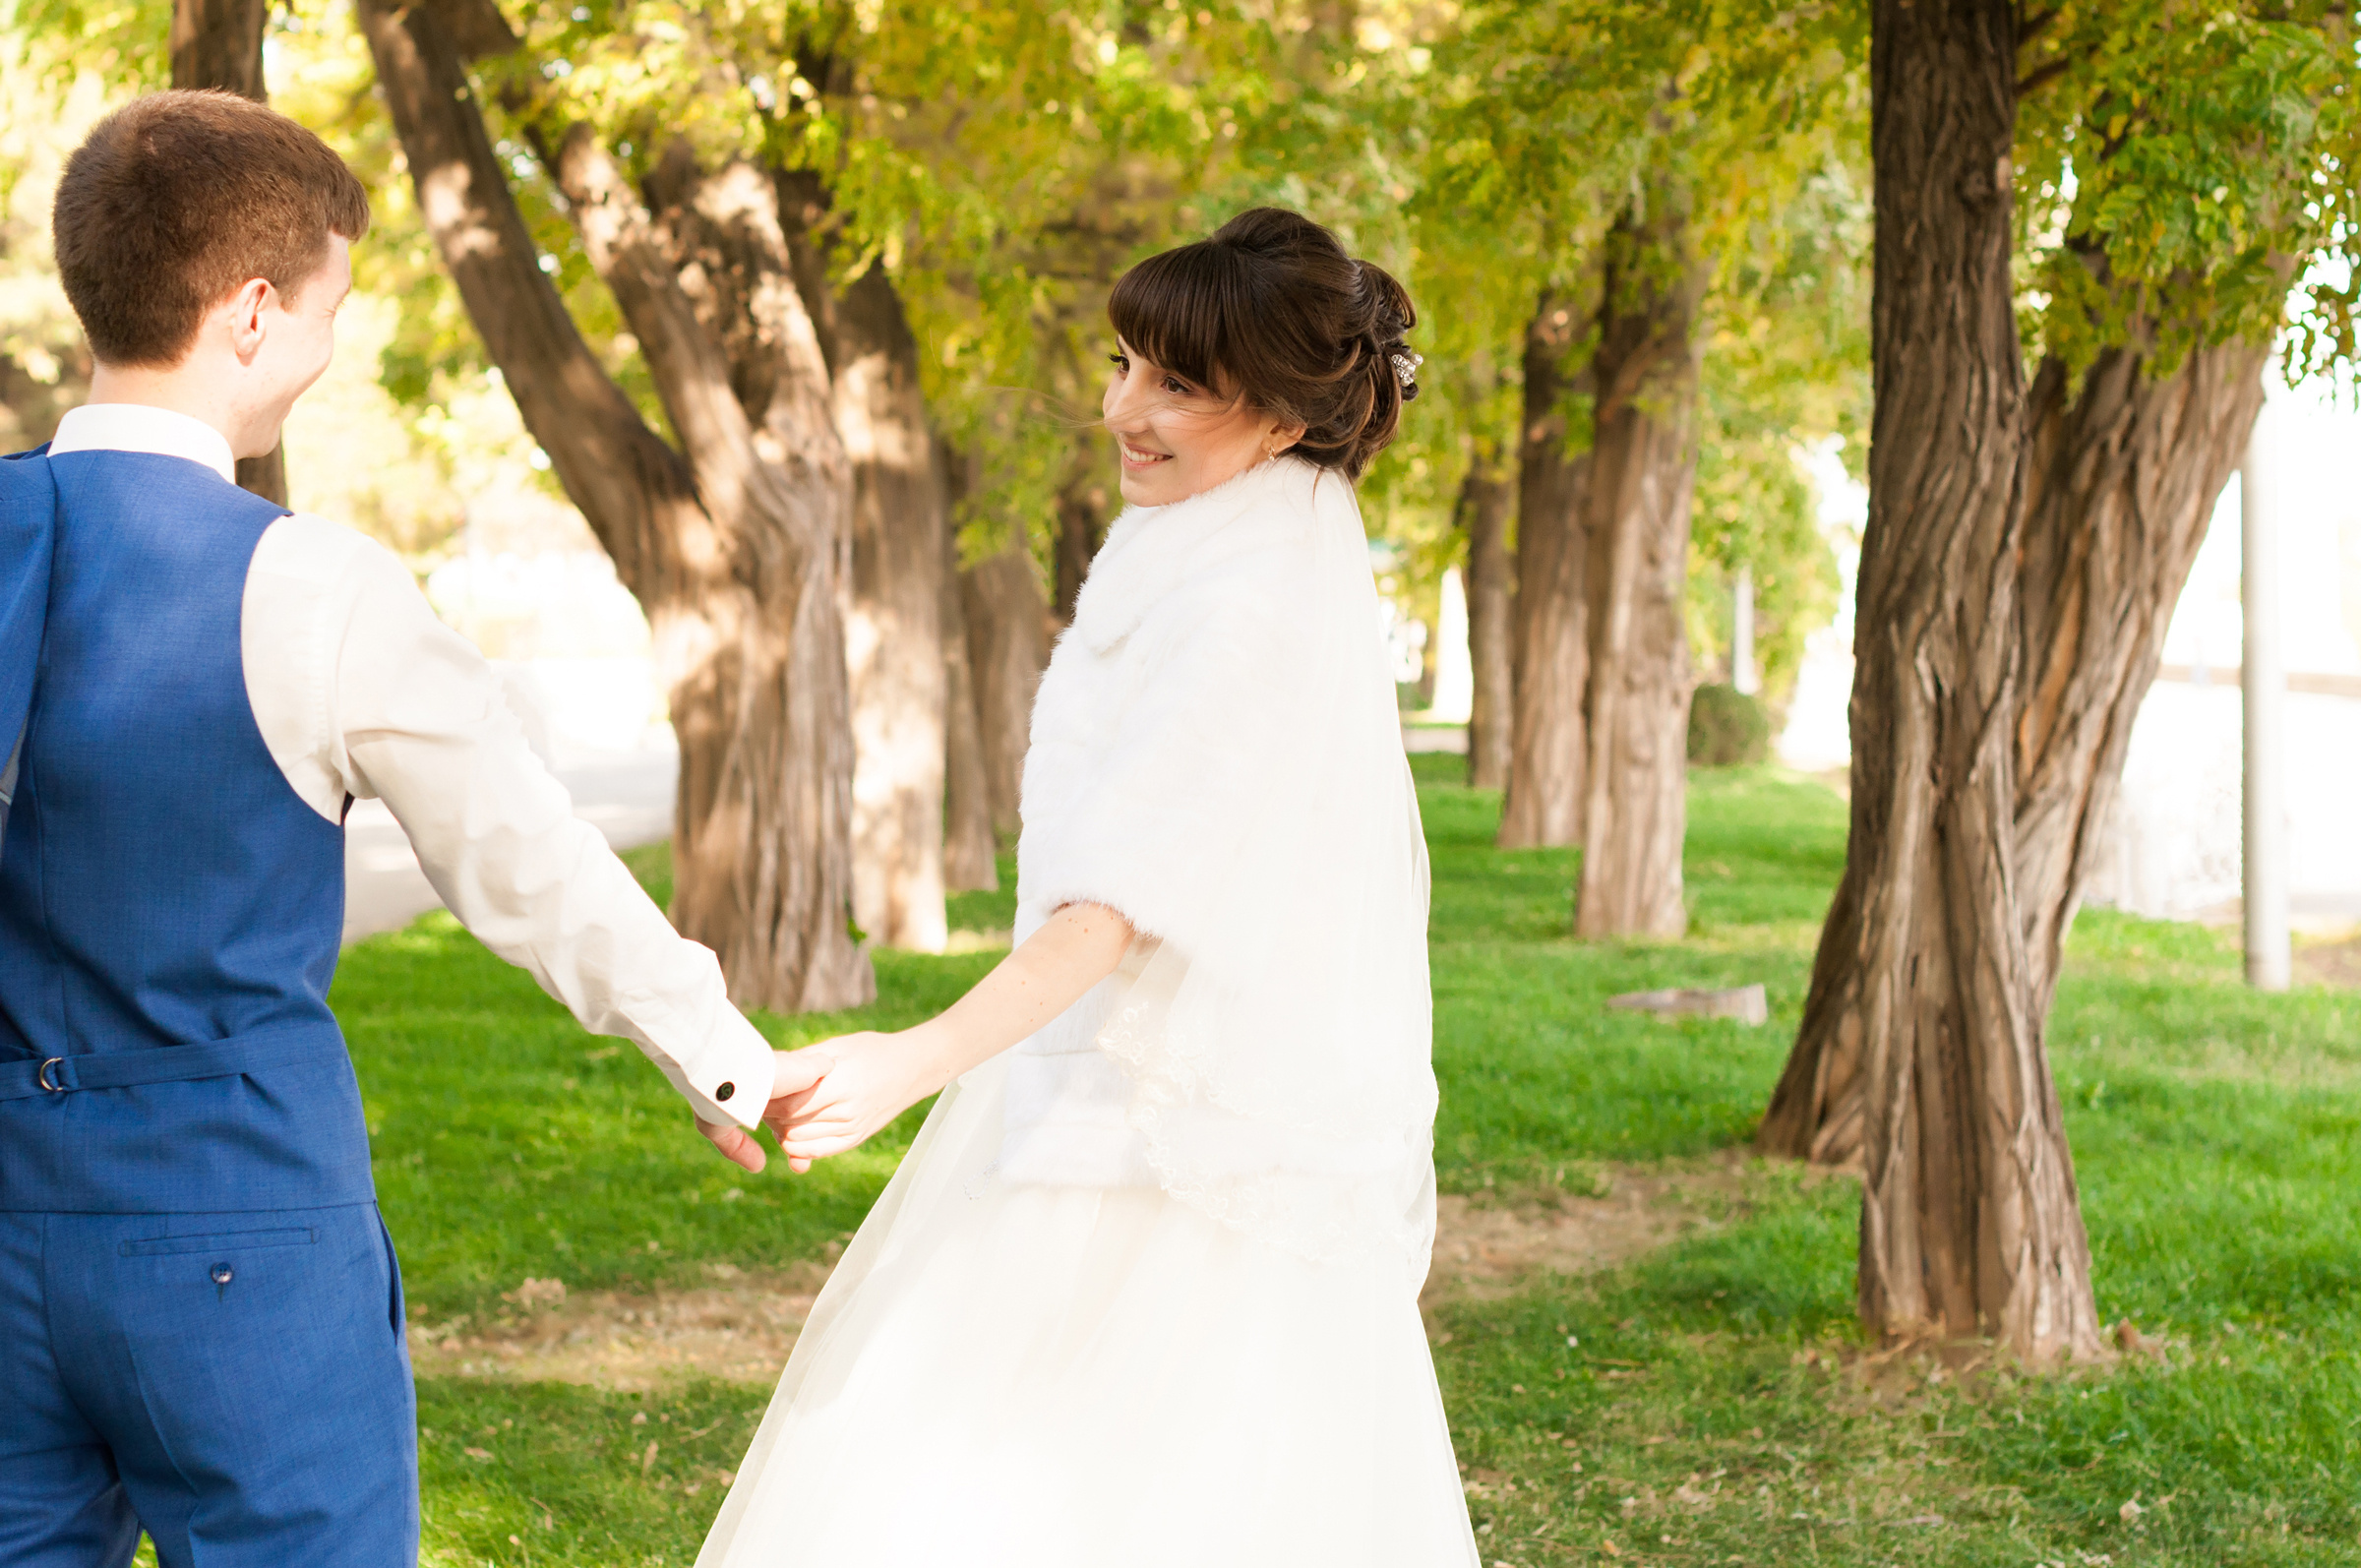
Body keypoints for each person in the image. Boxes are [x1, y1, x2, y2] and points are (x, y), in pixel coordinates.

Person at [0, 90, 819, 1567]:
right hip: (233, 1228)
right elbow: (528, 861)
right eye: (329, 308)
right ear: (252, 315)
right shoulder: (314, 590)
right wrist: (715, 1050)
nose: (329, 347)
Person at [700, 208, 1479, 1568]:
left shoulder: (1250, 595)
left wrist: (908, 1060)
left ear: (1285, 421)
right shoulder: (1228, 532)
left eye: (1177, 384)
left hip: (1176, 1137)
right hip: (1124, 1082)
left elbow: (1118, 906)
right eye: (1123, 362)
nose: (1125, 407)